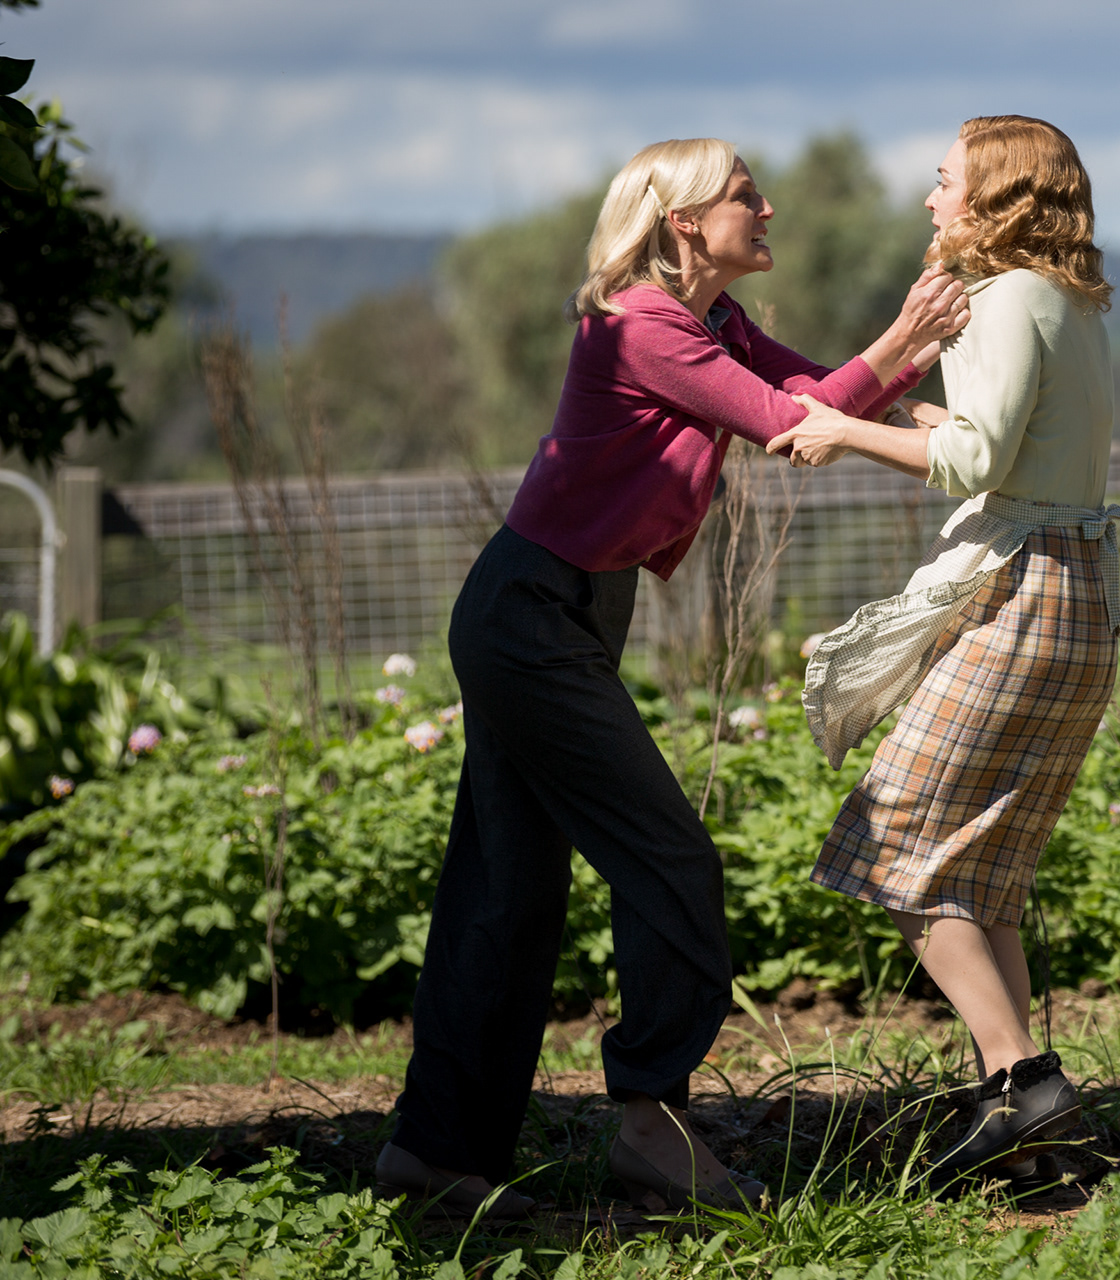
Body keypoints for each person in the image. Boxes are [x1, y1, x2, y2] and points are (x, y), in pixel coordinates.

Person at [375, 137, 969, 1219]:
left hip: (569, 608)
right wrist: (902, 339)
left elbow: (814, 395)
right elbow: (789, 426)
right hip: (527, 614)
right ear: (686, 221)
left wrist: (910, 364)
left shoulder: (712, 321)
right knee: (670, 856)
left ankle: (433, 1151)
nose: (769, 208)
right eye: (747, 196)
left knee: (507, 886)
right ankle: (650, 1118)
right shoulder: (639, 324)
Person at [770, 115, 1120, 1192]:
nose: (931, 200)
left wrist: (844, 429)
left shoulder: (1008, 296)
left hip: (1022, 593)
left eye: (944, 181)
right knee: (981, 875)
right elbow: (1019, 450)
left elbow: (975, 460)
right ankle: (1031, 1138)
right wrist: (931, 418)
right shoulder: (1065, 299)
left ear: (997, 196)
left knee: (896, 843)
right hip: (1074, 587)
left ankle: (1023, 1079)